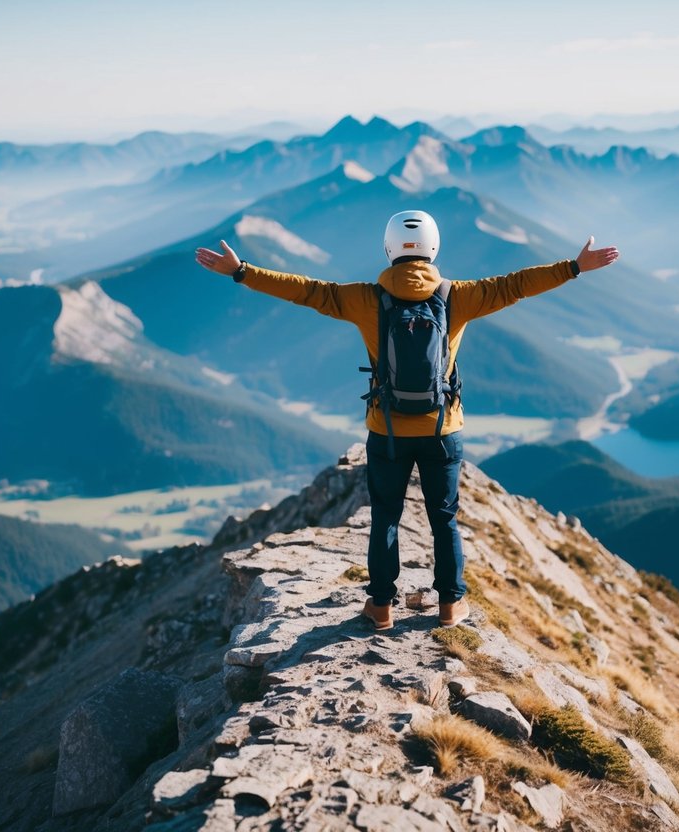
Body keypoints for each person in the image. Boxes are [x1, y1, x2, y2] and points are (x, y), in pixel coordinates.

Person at [195, 211, 619, 631]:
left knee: (385, 517)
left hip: (388, 432)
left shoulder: (364, 298)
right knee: (444, 519)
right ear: (433, 248)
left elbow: (305, 291)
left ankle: (381, 608)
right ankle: (451, 606)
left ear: (388, 248)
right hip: (442, 431)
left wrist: (242, 271)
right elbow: (517, 285)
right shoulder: (460, 296)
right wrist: (575, 267)